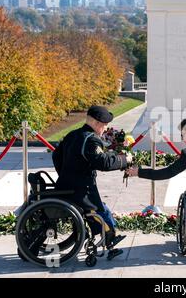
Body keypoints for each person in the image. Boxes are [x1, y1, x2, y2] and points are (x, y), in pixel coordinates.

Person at [52, 105, 132, 258]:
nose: (105, 128)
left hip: (67, 184)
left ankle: (109, 238)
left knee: (103, 208)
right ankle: (109, 237)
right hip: (81, 189)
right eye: (104, 125)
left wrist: (65, 173)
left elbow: (56, 156)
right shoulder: (91, 139)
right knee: (99, 211)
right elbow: (103, 163)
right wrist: (124, 159)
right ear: (96, 124)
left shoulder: (73, 134)